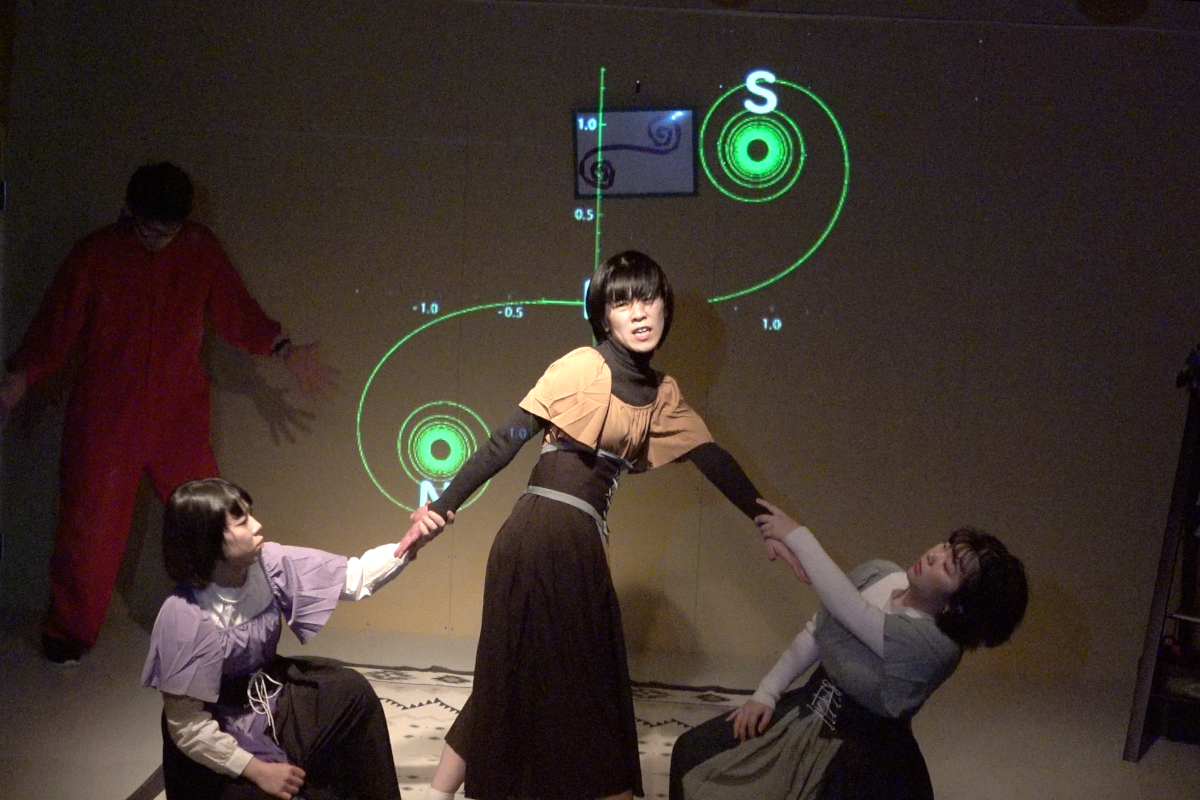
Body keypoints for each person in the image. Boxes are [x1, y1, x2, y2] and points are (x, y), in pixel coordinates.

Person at [396, 251, 803, 800]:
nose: (638, 312)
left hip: (581, 541)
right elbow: (504, 441)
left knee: (529, 674)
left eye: (648, 298)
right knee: (572, 685)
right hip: (538, 536)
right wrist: (441, 509)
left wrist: (769, 522)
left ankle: (442, 794)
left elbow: (713, 460)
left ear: (665, 308)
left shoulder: (663, 395)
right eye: (621, 301)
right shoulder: (582, 368)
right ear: (603, 316)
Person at [0, 162, 337, 664]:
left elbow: (236, 310)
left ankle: (222, 620)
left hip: (178, 413)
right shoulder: (96, 254)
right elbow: (57, 324)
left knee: (211, 518)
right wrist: (21, 377)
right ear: (129, 214)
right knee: (89, 524)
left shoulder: (199, 249)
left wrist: (282, 349)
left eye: (169, 230)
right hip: (105, 412)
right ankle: (69, 629)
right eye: (149, 228)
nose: (159, 240)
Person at [668, 499, 1028, 800]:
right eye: (946, 546)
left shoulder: (934, 646)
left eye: (947, 567)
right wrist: (766, 693)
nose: (934, 555)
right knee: (692, 753)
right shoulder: (880, 573)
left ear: (956, 606)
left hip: (862, 762)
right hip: (807, 713)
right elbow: (819, 630)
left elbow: (851, 611)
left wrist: (797, 536)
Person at [142, 477, 427, 800]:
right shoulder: (183, 615)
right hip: (216, 725)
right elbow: (187, 726)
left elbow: (354, 577)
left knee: (352, 693)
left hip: (269, 693)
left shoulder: (269, 563)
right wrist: (257, 770)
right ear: (208, 539)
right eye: (242, 521)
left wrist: (411, 542)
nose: (257, 525)